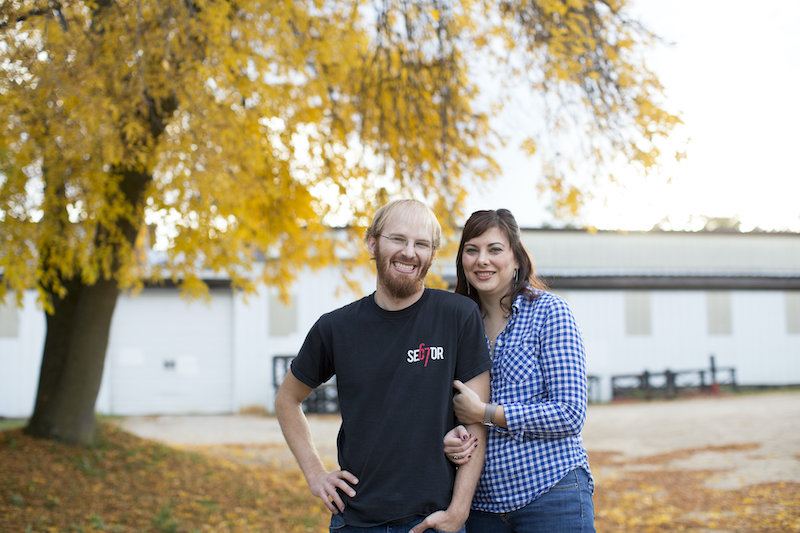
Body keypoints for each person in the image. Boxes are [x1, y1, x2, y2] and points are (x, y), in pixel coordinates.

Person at [275, 199, 492, 533]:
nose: (409, 252)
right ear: (372, 243)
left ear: (432, 254)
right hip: (356, 520)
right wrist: (315, 473)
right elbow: (287, 399)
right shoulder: (336, 327)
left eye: (421, 244)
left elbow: (476, 422)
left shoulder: (458, 315)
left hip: (432, 521)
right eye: (398, 239)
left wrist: (458, 512)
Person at [443, 208, 595, 532]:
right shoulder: (456, 326)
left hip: (550, 492)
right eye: (472, 250)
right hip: (482, 507)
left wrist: (486, 413)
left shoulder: (549, 312)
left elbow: (570, 413)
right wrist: (451, 439)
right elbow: (449, 410)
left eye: (494, 249)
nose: (482, 260)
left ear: (516, 258)